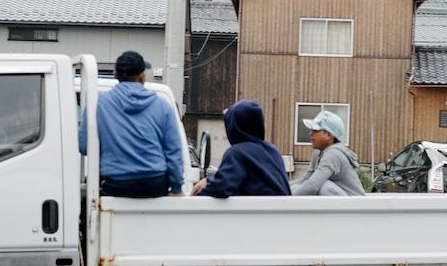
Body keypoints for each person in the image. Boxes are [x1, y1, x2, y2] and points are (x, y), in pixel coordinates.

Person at [79, 51, 183, 198]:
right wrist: (177, 188)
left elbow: (84, 146)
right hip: (155, 185)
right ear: (142, 77)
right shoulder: (162, 105)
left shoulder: (98, 104)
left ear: (115, 75)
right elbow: (174, 151)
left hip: (117, 185)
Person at [191, 100, 290, 197]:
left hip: (259, 212)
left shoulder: (237, 153)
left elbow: (221, 187)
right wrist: (209, 180)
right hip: (281, 210)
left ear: (233, 128)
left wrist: (196, 197)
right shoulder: (273, 150)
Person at [291, 110, 366, 196]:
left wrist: (286, 201)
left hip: (355, 206)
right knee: (295, 187)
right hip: (342, 202)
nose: (310, 133)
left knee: (324, 186)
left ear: (328, 135)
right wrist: (282, 188)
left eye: (315, 130)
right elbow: (307, 179)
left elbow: (312, 186)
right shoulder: (318, 152)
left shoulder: (333, 155)